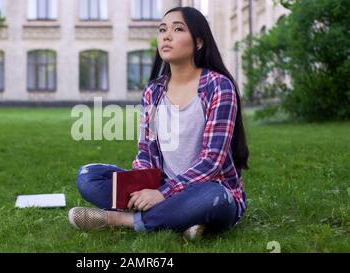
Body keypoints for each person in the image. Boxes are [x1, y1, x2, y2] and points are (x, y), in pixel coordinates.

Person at [68, 6, 249, 240]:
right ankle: (185, 221)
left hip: (210, 189)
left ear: (199, 42)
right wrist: (141, 187)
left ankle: (122, 219)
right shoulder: (154, 91)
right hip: (161, 184)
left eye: (178, 29)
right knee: (88, 177)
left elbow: (212, 162)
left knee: (211, 197)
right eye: (162, 29)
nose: (166, 35)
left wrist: (163, 194)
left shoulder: (218, 86)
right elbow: (146, 151)